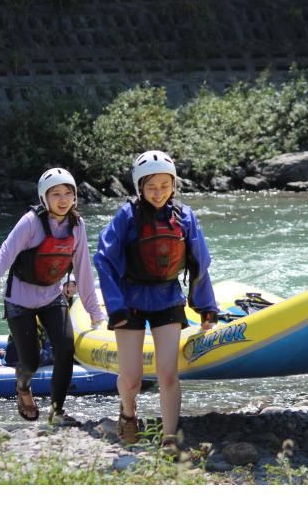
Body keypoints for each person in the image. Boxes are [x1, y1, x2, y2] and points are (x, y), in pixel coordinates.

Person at [94, 150, 219, 448]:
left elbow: (200, 261)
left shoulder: (185, 217)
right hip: (130, 301)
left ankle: (169, 436)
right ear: (139, 187)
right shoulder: (126, 217)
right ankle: (128, 413)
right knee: (132, 378)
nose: (159, 193)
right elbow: (104, 260)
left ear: (173, 184)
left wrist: (206, 307)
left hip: (167, 298)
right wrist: (115, 307)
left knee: (167, 373)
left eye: (165, 185)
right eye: (151, 187)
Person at [0, 168, 106, 424]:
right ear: (44, 198)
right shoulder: (30, 222)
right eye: (56, 194)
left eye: (68, 193)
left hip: (52, 297)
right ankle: (22, 386)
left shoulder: (77, 226)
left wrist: (95, 312)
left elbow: (84, 270)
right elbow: (3, 258)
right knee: (31, 363)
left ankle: (57, 411)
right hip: (19, 301)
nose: (63, 199)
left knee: (65, 349)